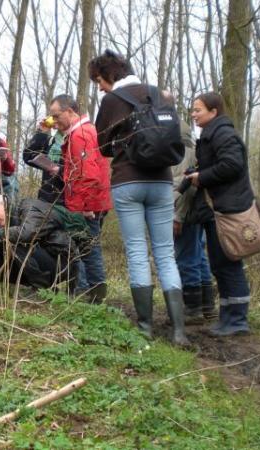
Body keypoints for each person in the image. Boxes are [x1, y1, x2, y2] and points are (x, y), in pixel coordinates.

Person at [88, 50, 188, 345]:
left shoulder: (112, 101)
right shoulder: (158, 94)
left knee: (136, 251)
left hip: (128, 181)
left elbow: (102, 145)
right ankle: (178, 331)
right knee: (165, 253)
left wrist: (121, 144)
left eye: (99, 81)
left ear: (108, 75)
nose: (100, 88)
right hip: (162, 182)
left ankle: (145, 328)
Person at [186, 92, 254, 336]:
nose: (193, 114)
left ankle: (237, 320)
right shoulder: (210, 134)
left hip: (228, 209)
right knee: (219, 263)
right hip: (216, 209)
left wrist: (202, 177)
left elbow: (232, 165)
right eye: (193, 110)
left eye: (198, 110)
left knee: (228, 262)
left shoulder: (223, 134)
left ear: (213, 111)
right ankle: (227, 318)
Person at [48, 94, 112, 302]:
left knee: (88, 249)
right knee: (84, 248)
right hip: (89, 201)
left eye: (56, 116)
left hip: (87, 205)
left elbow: (88, 174)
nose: (54, 121)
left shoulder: (80, 135)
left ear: (69, 111)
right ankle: (86, 293)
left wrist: (85, 206)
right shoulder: (84, 131)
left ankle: (92, 297)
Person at [0, 193, 87, 289]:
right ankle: (43, 288)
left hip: (63, 261)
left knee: (16, 243)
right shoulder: (9, 219)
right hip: (47, 258)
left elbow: (27, 233)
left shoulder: (30, 207)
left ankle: (41, 288)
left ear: (2, 203)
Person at [172, 118, 216, 323]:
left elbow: (184, 186)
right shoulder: (193, 150)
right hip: (195, 211)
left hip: (186, 213)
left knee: (186, 256)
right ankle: (207, 306)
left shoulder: (180, 154)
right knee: (198, 255)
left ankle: (193, 309)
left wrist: (177, 216)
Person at [23, 119, 66, 206]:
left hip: (66, 201)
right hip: (46, 199)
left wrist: (59, 170)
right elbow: (28, 155)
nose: (55, 120)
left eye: (57, 117)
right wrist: (41, 132)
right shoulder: (51, 142)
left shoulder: (76, 141)